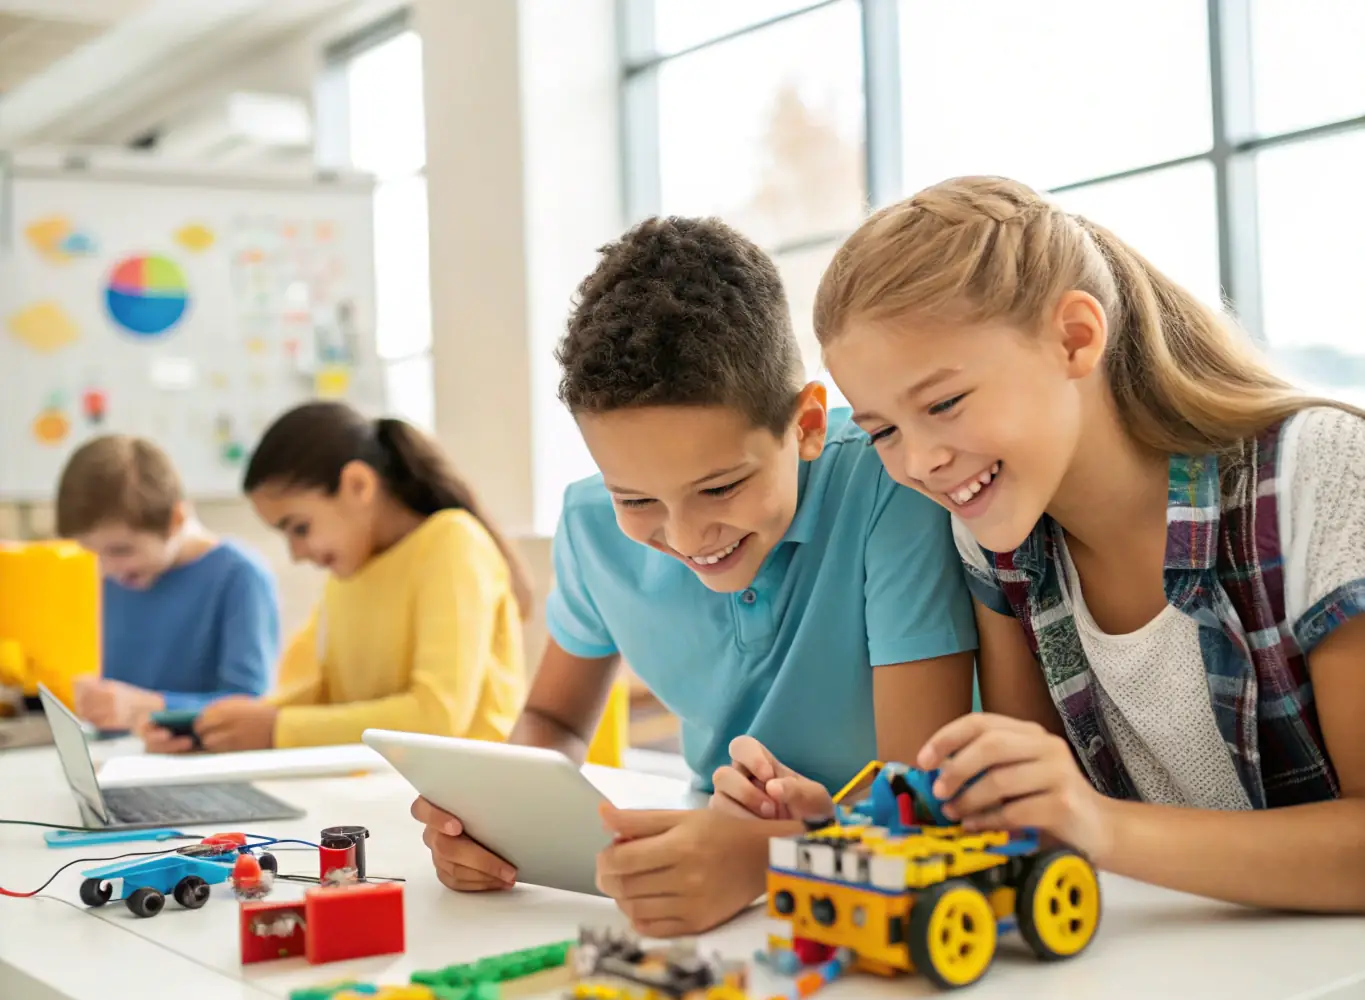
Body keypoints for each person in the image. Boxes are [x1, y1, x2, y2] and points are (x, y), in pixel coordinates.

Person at [713, 175, 1365, 913]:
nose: (919, 462)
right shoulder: (998, 545)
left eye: (944, 403)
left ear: (1074, 338)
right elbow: (1025, 818)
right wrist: (840, 832)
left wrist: (1100, 826)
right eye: (884, 430)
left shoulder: (1316, 471)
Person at [413, 216, 979, 935]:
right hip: (720, 867)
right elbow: (553, 719)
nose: (684, 536)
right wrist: (498, 817)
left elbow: (919, 794)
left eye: (719, 487)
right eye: (635, 498)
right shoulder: (589, 526)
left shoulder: (888, 484)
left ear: (806, 425)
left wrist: (765, 858)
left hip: (896, 885)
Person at [138, 401, 531, 754]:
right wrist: (205, 730)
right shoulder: (347, 573)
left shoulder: (452, 542)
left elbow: (437, 718)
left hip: (468, 798)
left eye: (300, 527)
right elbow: (308, 698)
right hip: (383, 788)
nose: (296, 554)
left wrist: (276, 729)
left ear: (358, 485)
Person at [54, 435, 279, 732]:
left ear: (176, 520)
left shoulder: (239, 576)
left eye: (121, 550)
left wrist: (147, 707)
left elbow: (250, 705)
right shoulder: (108, 577)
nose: (106, 568)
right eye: (92, 552)